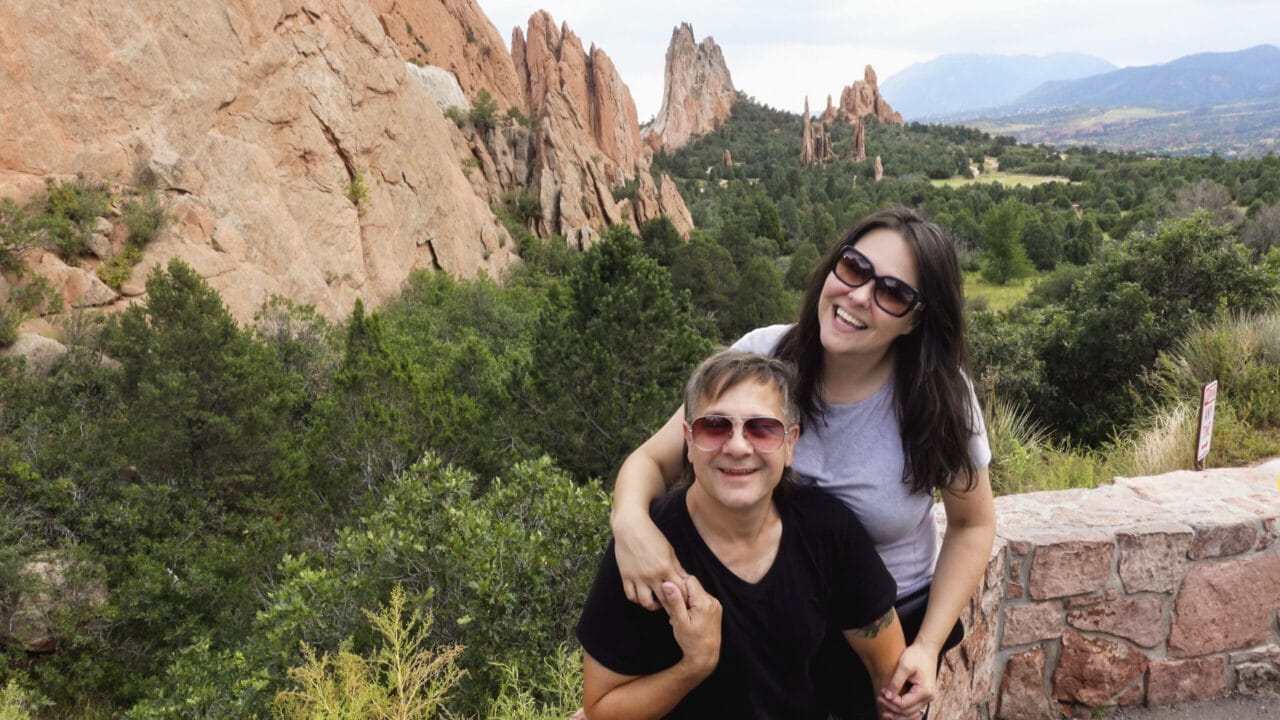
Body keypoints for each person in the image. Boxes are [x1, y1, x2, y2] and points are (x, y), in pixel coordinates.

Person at [610, 208, 995, 719]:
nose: (858, 296)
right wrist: (631, 526)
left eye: (893, 292)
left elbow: (973, 524)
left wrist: (925, 646)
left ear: (916, 319)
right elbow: (654, 460)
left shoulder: (939, 397)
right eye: (854, 267)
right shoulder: (764, 355)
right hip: (772, 626)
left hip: (886, 636)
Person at [577, 350, 906, 719]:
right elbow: (600, 709)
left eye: (762, 429)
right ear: (688, 440)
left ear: (790, 444)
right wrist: (694, 665)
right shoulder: (647, 550)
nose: (737, 446)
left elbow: (888, 669)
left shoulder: (826, 531)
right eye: (714, 426)